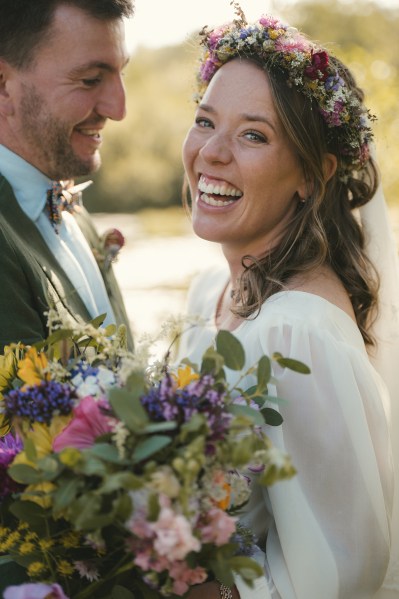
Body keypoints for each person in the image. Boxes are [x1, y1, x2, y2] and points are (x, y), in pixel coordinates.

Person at [178, 10, 399, 599]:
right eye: (205, 121)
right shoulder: (211, 292)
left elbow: (335, 581)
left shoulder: (300, 333)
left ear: (312, 174)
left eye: (253, 134)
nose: (212, 153)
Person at [0, 0, 135, 352]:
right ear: (3, 85)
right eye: (91, 80)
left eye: (123, 73)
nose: (118, 109)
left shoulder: (71, 207)